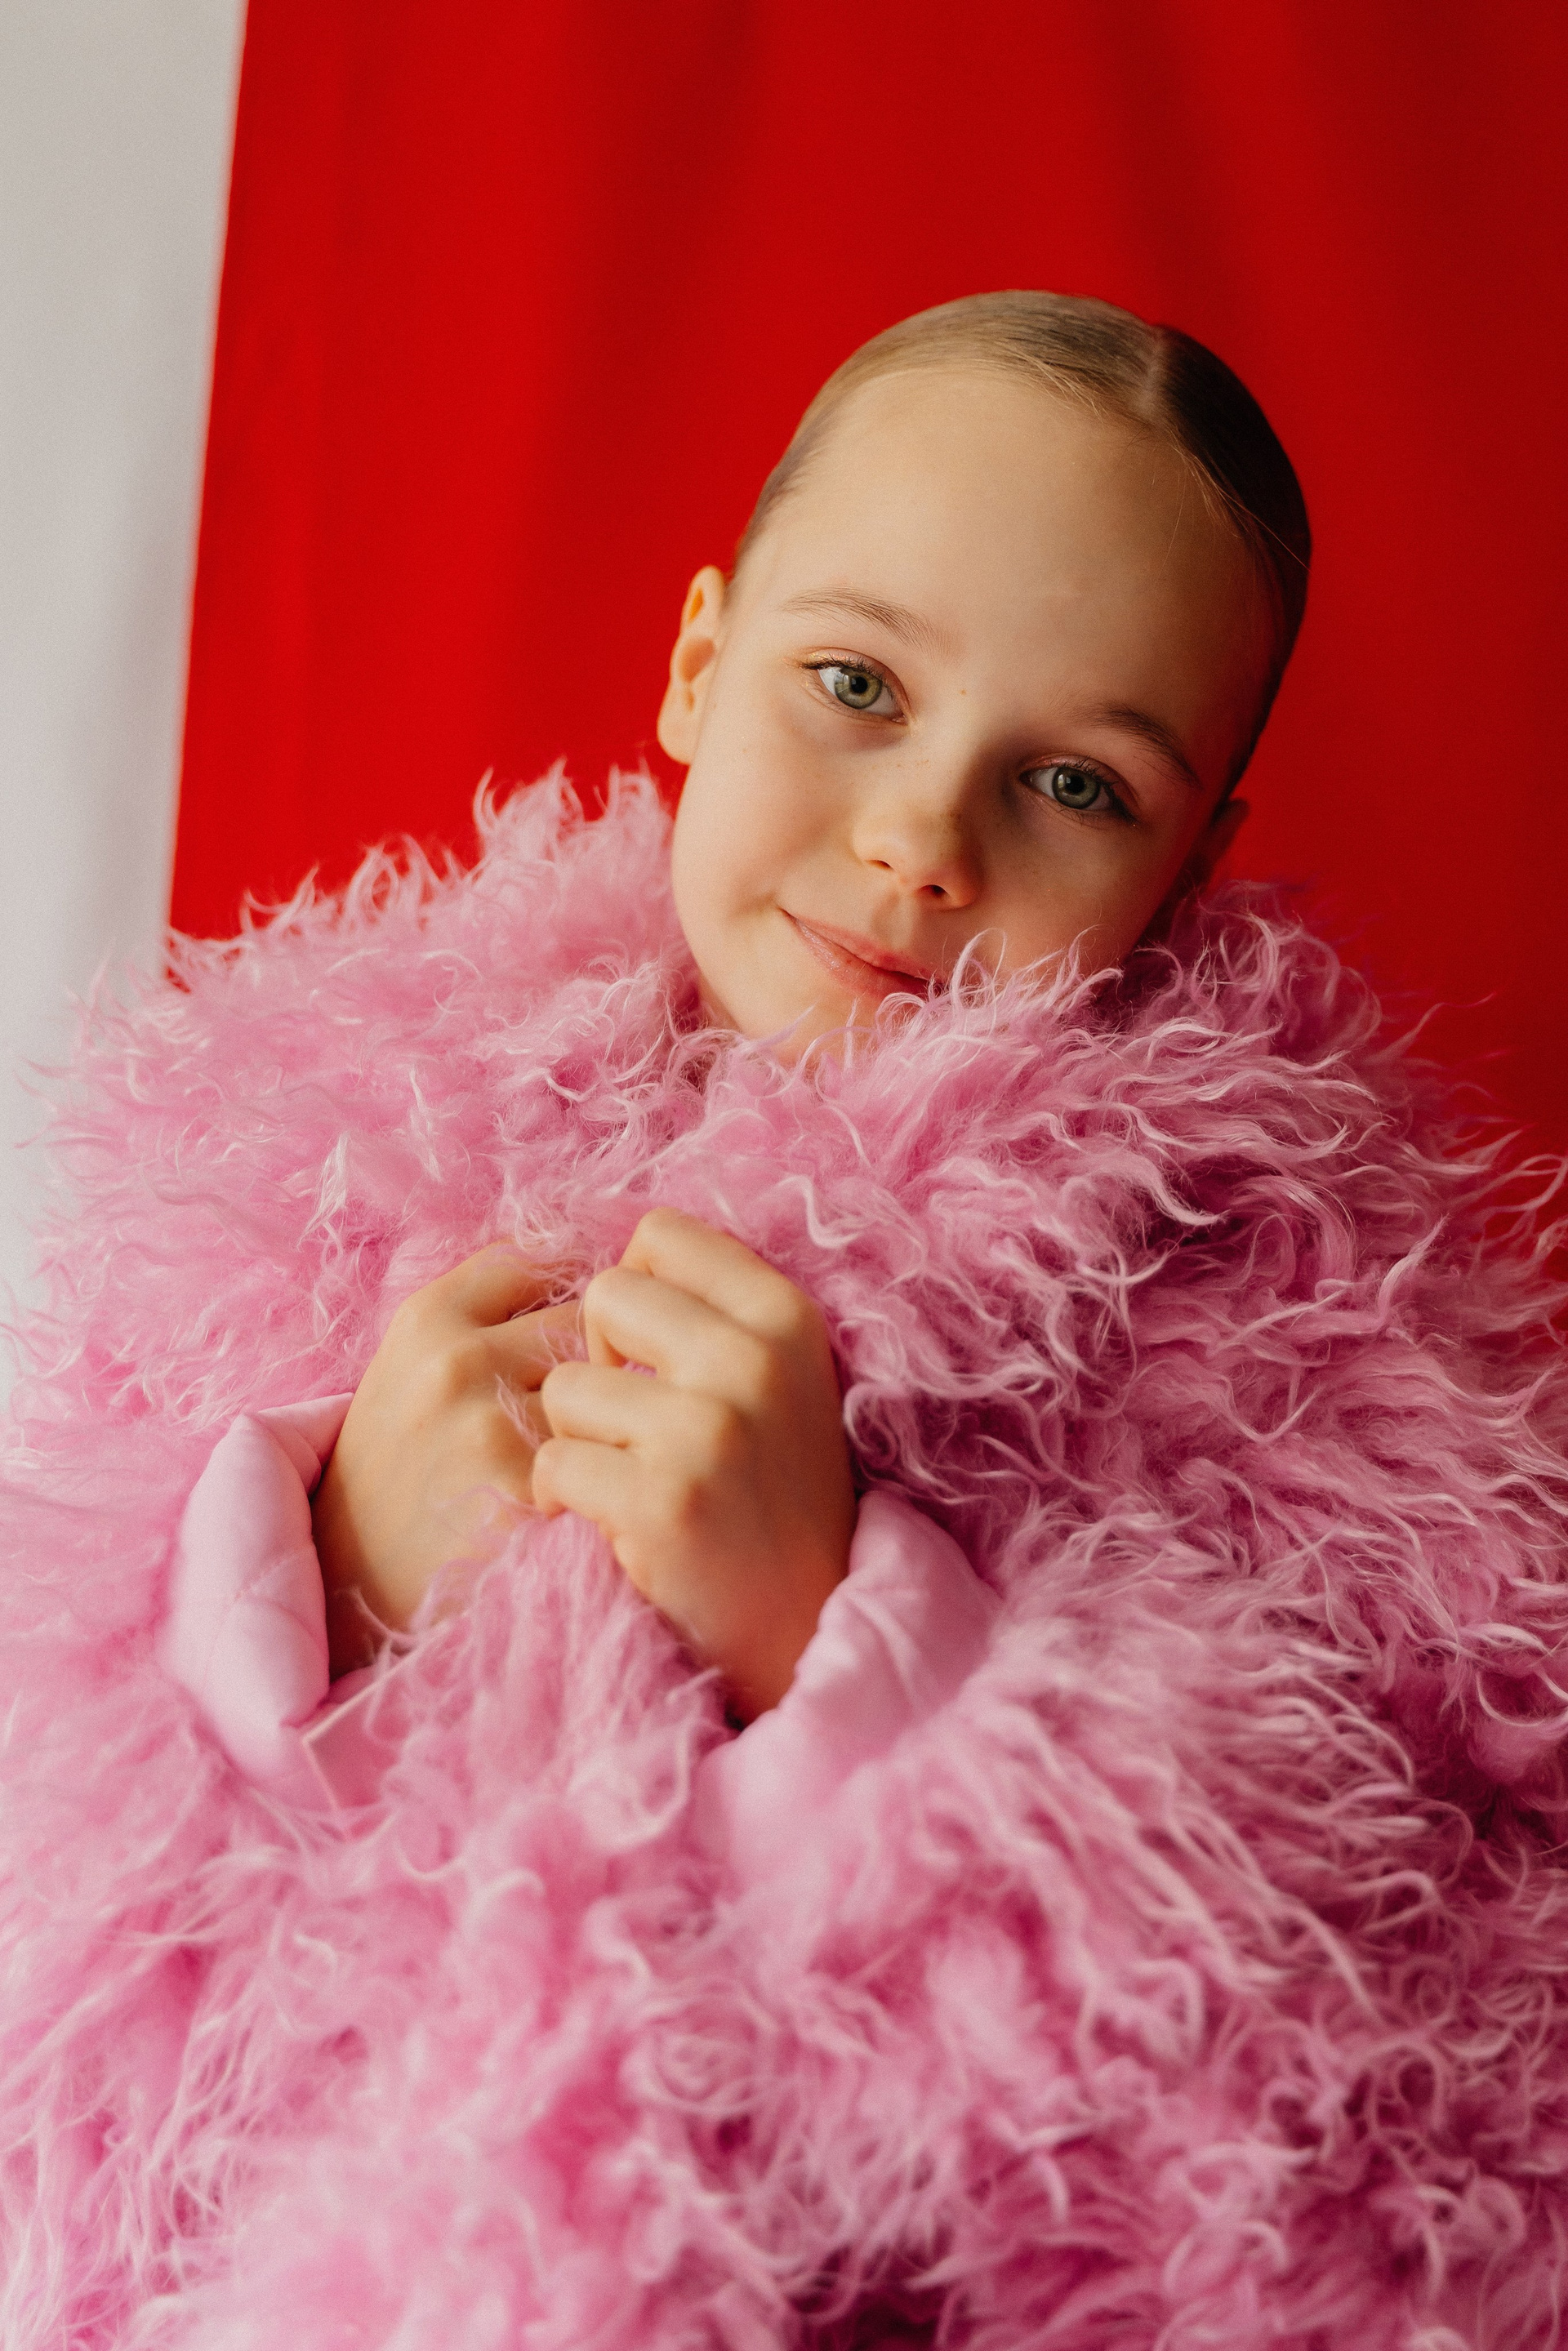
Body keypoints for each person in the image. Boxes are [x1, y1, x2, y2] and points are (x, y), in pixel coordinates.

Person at [5, 293, 1566, 2349]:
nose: (922, 837)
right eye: (854, 683)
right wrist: (330, 1590)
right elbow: (69, 1999)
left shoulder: (1300, 1356)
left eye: (1077, 784)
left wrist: (845, 1661)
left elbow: (1405, 2156)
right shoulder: (281, 1172)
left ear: (1193, 868)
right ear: (696, 664)